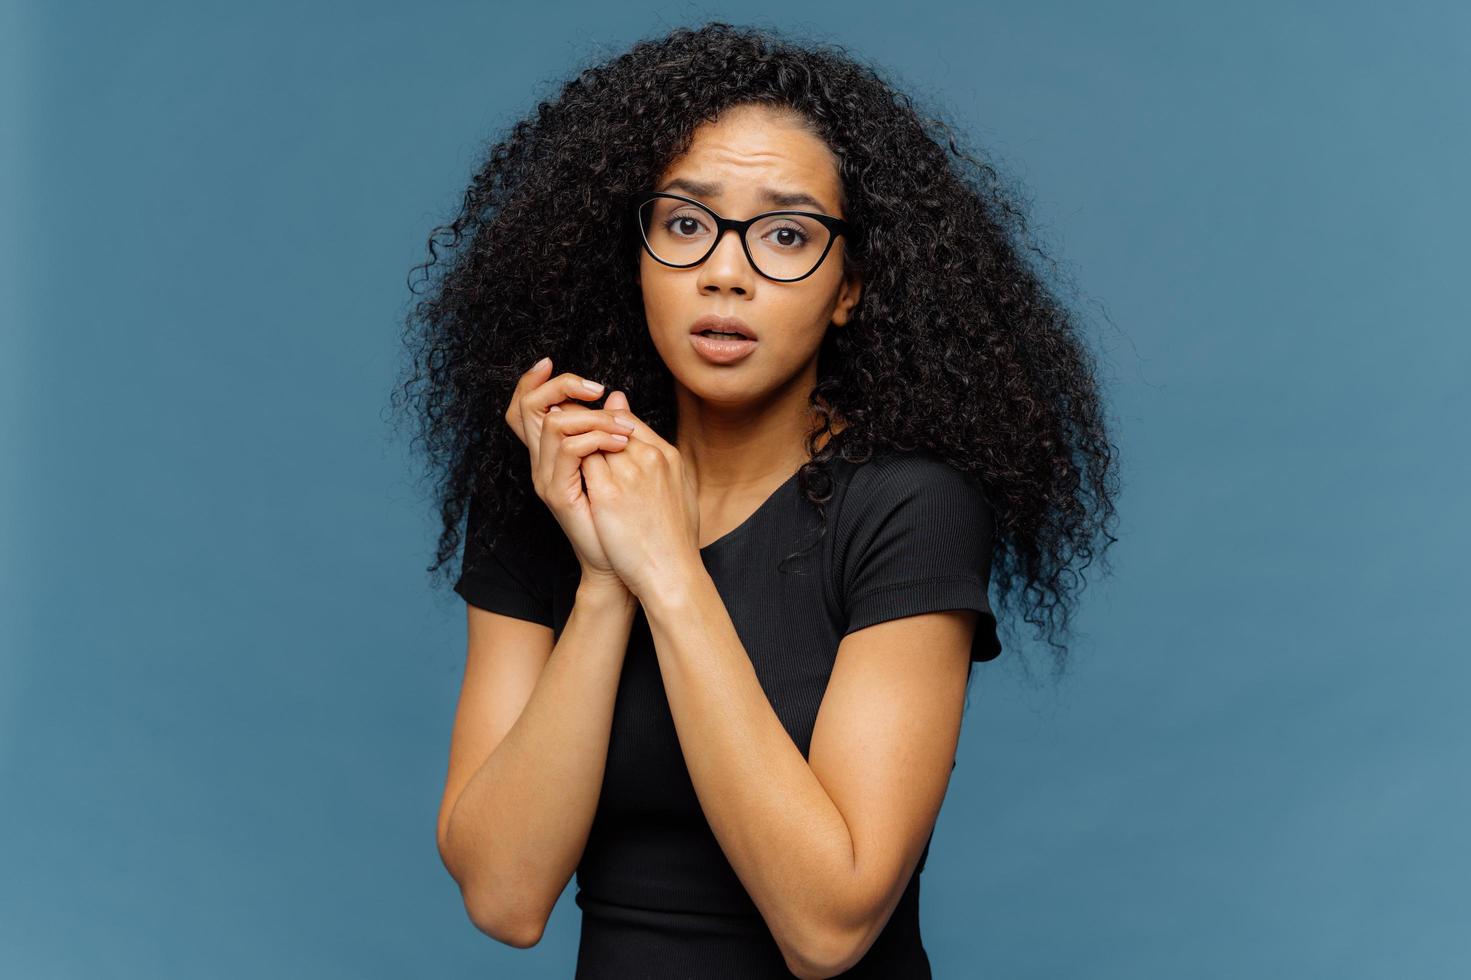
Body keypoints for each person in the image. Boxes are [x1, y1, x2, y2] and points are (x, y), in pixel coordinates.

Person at [395, 21, 1120, 979]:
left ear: (850, 287)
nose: (725, 271)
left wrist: (667, 572)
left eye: (786, 234)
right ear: (639, 255)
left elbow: (828, 927)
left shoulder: (910, 508)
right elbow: (503, 895)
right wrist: (606, 585)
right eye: (686, 223)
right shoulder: (557, 491)